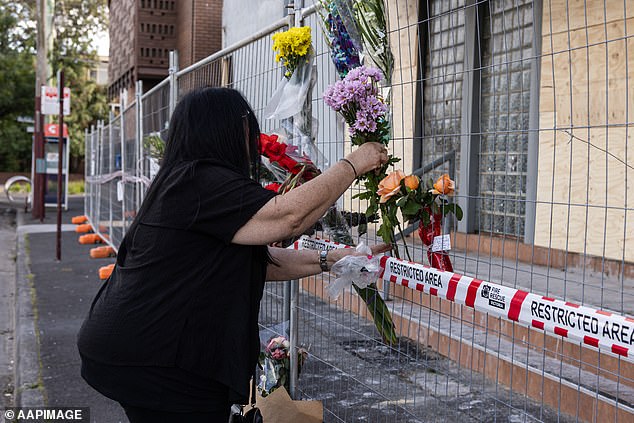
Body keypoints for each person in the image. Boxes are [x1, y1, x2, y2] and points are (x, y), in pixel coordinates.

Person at [77, 87, 389, 422]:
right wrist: (353, 163)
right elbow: (288, 217)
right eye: (245, 128)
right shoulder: (198, 181)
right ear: (221, 130)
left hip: (140, 348)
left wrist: (332, 260)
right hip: (155, 357)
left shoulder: (187, 182)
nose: (251, 140)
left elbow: (260, 261)